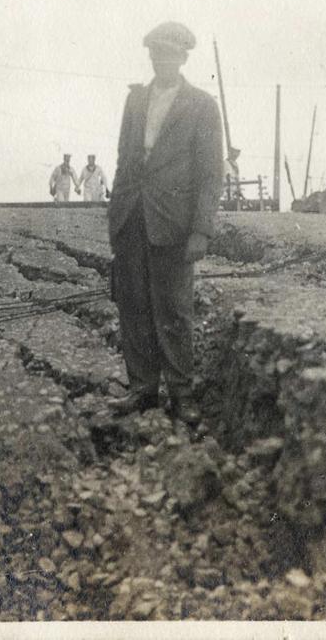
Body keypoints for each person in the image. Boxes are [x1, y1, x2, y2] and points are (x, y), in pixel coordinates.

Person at [107, 21, 223, 422]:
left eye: (170, 55)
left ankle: (180, 392)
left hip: (174, 223)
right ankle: (142, 389)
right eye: (157, 54)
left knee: (174, 309)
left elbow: (211, 173)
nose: (162, 61)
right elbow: (124, 159)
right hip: (132, 216)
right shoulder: (136, 100)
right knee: (133, 304)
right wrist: (116, 215)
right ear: (151, 56)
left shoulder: (202, 105)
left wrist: (201, 230)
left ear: (183, 58)